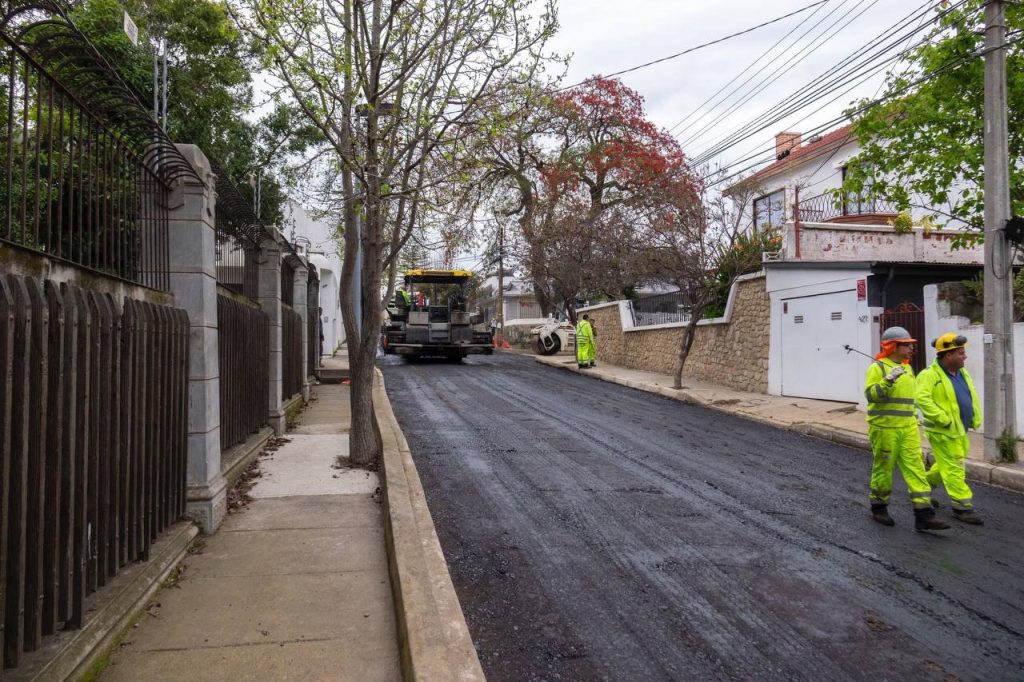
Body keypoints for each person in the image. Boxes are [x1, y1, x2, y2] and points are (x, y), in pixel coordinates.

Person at [864, 326, 949, 531]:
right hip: (885, 429)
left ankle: (924, 515)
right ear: (893, 347)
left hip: (909, 429)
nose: (912, 349)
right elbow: (871, 395)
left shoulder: (907, 368)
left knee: (917, 469)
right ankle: (879, 506)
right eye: (907, 346)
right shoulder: (878, 368)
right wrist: (887, 380)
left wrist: (915, 419)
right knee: (884, 469)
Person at [915, 333, 984, 525]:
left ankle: (923, 487)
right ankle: (962, 507)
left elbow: (969, 396)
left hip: (960, 429)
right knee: (954, 467)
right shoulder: (929, 375)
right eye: (961, 353)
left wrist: (974, 416)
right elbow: (922, 399)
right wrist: (942, 418)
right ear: (948, 355)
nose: (965, 356)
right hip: (942, 431)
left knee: (946, 464)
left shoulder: (963, 373)